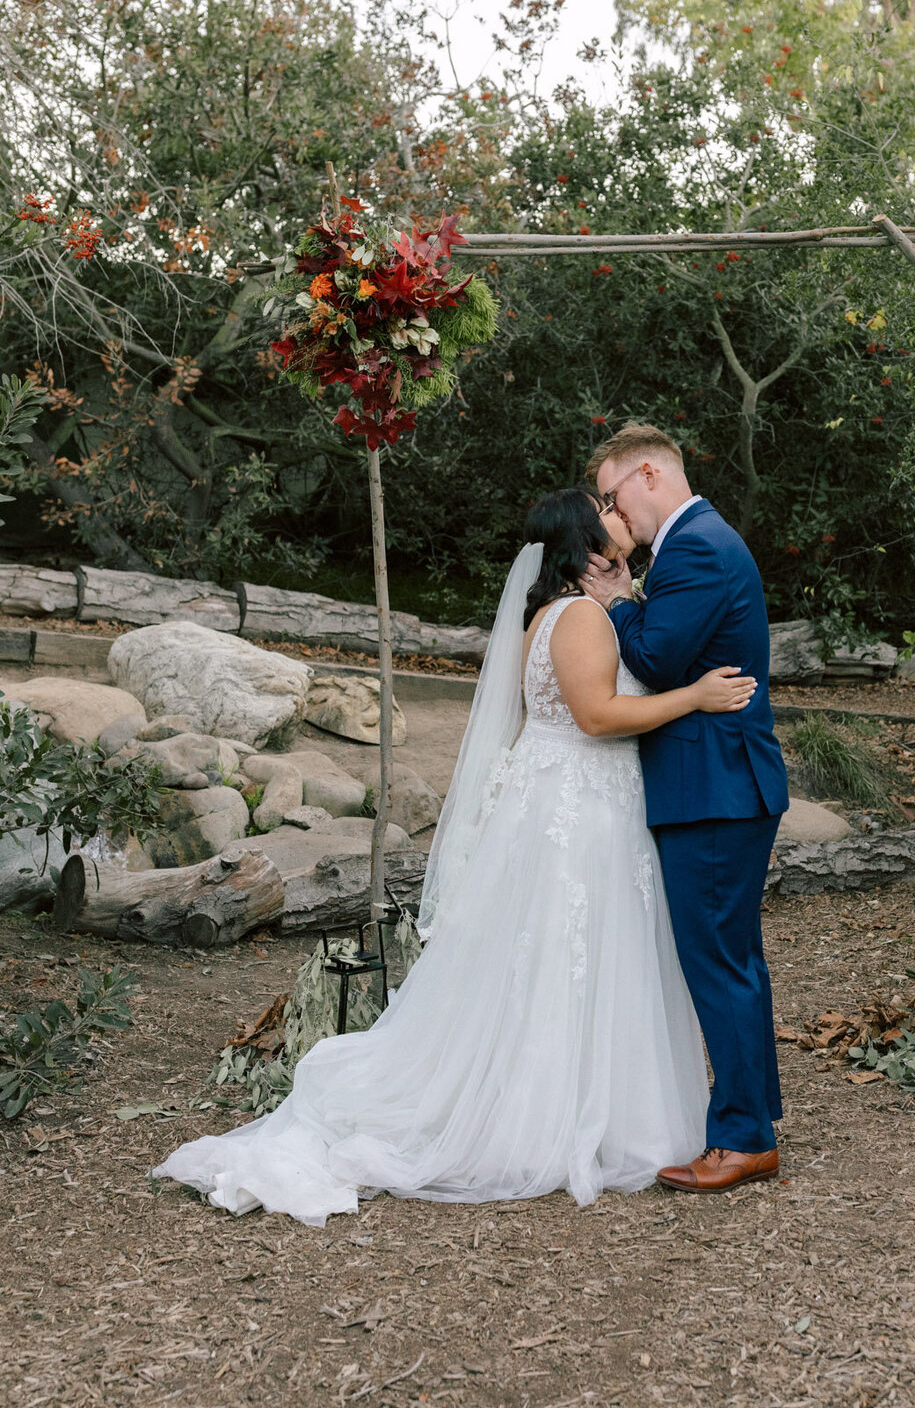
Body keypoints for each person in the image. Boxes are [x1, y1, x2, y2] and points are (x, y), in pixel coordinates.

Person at [154, 488, 757, 1225]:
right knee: (569, 960)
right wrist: (693, 697)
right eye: (602, 505)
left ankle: (583, 1099)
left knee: (568, 960)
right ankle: (562, 1115)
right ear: (581, 540)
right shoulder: (580, 618)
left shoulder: (566, 610)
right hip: (581, 810)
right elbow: (598, 716)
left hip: (573, 801)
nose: (614, 509)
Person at [583, 423, 789, 1194]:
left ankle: (742, 1138)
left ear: (646, 474)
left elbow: (658, 656)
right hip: (722, 784)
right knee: (736, 956)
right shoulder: (699, 540)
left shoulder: (696, 544)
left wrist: (612, 601)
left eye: (612, 495)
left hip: (714, 789)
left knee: (718, 960)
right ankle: (755, 1115)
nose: (613, 513)